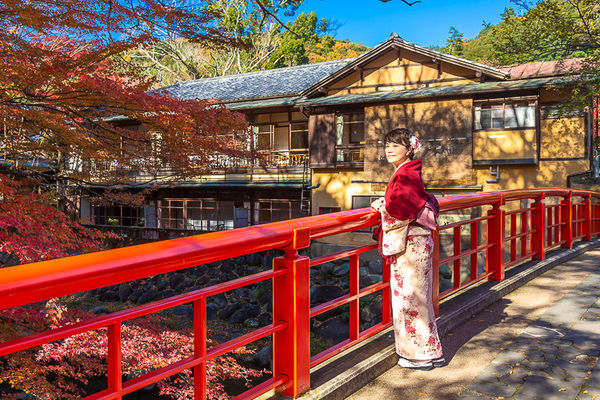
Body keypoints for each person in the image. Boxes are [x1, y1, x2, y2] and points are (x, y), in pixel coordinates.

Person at [371, 128, 444, 371]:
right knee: (418, 297)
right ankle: (432, 351)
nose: (389, 149)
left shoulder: (405, 174)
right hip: (418, 242)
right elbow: (406, 202)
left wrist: (381, 207)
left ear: (409, 148)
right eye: (387, 145)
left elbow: (400, 211)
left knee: (408, 299)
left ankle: (417, 356)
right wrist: (386, 202)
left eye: (395, 145)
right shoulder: (407, 172)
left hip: (410, 245)